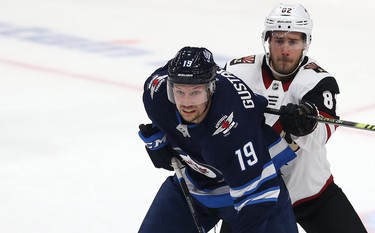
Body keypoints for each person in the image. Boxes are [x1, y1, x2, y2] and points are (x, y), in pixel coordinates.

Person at [223, 3, 367, 233]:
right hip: (252, 194)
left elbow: (318, 138)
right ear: (267, 40)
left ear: (305, 43)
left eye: (293, 41)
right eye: (279, 40)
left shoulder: (318, 81)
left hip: (310, 194)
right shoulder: (236, 72)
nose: (285, 49)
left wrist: (305, 123)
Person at [137, 46, 299, 233]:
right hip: (196, 183)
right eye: (179, 92)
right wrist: (161, 136)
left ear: (211, 88)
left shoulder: (231, 125)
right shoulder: (156, 94)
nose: (187, 103)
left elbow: (257, 198)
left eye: (196, 92)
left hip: (255, 184)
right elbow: (166, 74)